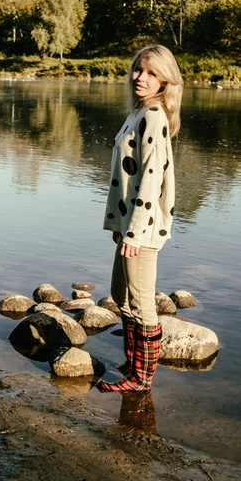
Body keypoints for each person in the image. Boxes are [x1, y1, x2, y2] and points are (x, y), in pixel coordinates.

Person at [97, 44, 183, 392]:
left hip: (143, 228)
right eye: (138, 69)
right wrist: (122, 227)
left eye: (150, 73)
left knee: (141, 301)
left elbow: (150, 179)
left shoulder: (154, 117)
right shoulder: (138, 112)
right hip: (130, 223)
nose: (140, 77)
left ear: (165, 80)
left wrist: (133, 233)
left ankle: (141, 379)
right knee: (121, 296)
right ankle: (135, 363)